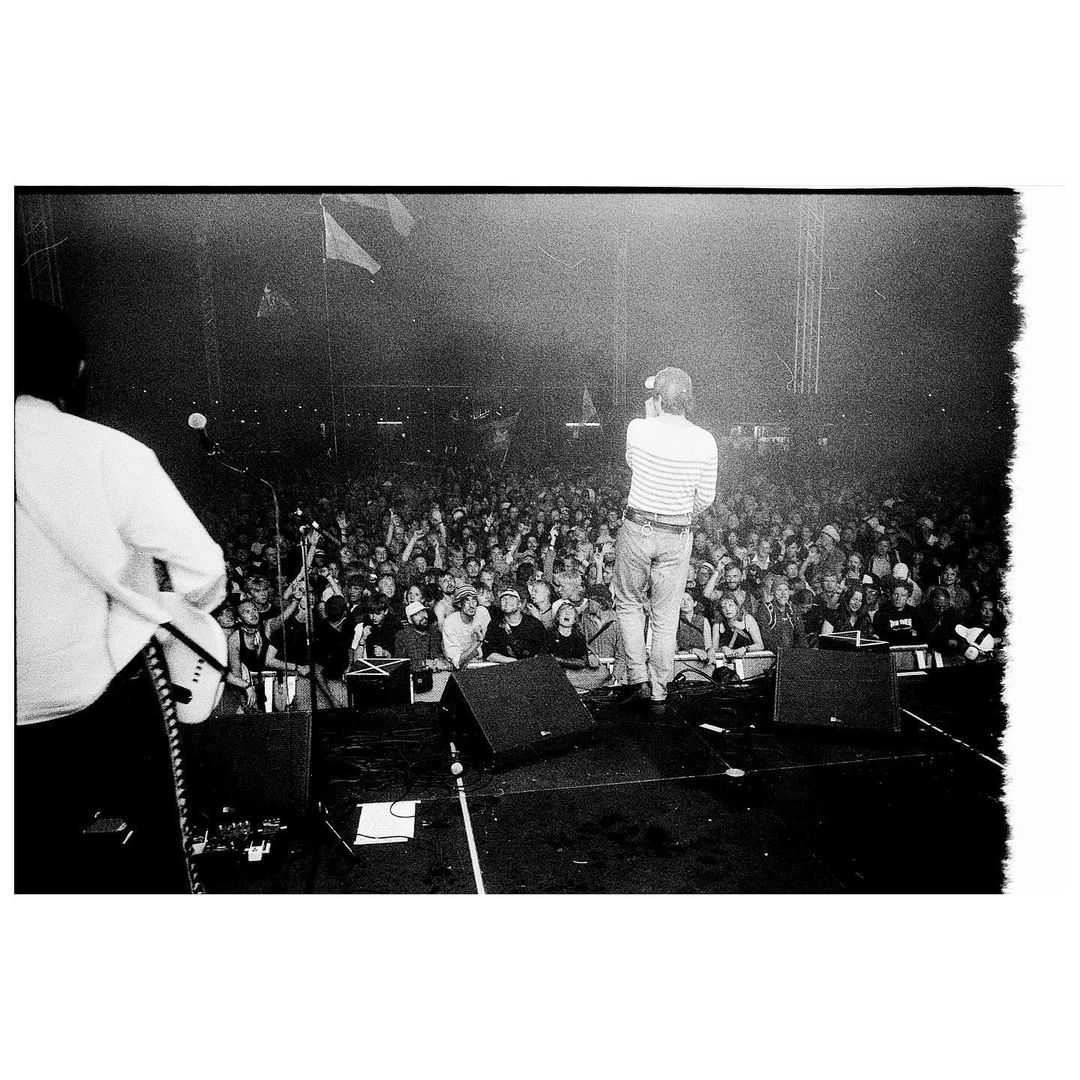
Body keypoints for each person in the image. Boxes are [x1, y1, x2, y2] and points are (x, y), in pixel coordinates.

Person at [16, 299, 226, 893]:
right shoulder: (109, 451)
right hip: (104, 697)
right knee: (159, 858)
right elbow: (203, 571)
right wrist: (162, 605)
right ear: (75, 371)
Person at [613, 367, 718, 713]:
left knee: (629, 603)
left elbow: (633, 463)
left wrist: (649, 417)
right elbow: (706, 499)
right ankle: (659, 692)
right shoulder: (706, 440)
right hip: (678, 533)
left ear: (657, 398)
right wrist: (679, 510)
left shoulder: (638, 428)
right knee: (666, 615)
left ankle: (637, 678)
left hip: (638, 527)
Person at [484, 585, 548, 663]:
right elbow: (488, 652)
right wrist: (513, 662)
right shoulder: (495, 625)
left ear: (520, 604)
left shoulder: (533, 623)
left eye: (512, 598)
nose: (507, 601)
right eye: (504, 599)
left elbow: (546, 648)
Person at [441, 584, 491, 669]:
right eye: (467, 601)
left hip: (482, 662)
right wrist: (478, 641)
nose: (472, 605)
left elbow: (489, 647)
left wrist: (475, 653)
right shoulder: (450, 622)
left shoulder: (482, 613)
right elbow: (458, 662)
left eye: (474, 600)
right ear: (459, 604)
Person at [394, 600, 452, 672]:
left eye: (423, 612)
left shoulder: (433, 632)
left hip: (434, 674)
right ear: (410, 620)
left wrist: (438, 660)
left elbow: (438, 653)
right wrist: (423, 663)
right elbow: (400, 663)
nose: (423, 616)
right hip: (414, 675)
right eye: (416, 614)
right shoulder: (403, 636)